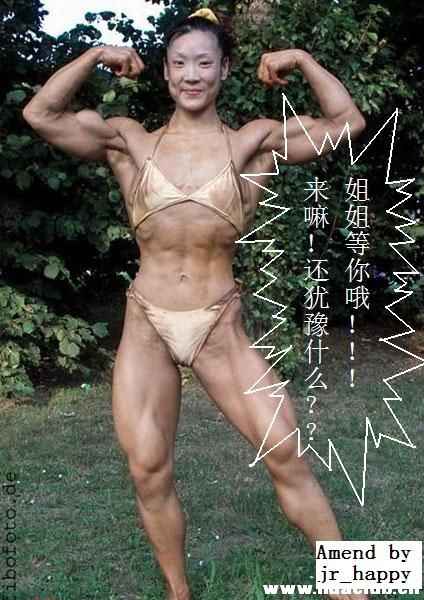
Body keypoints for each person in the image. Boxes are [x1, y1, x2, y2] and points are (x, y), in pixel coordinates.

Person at [22, 8, 367, 600]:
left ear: (224, 69)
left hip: (217, 327)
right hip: (148, 325)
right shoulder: (129, 141)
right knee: (147, 469)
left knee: (286, 452)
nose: (191, 74)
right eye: (179, 63)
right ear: (164, 71)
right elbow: (41, 114)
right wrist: (95, 55)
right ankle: (178, 593)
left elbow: (347, 122)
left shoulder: (253, 143)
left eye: (204, 63)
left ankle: (351, 588)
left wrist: (302, 60)